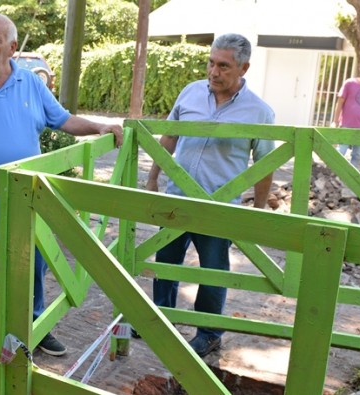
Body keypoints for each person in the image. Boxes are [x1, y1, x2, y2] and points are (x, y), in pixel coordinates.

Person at [0, 12, 124, 365]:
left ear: (13, 47)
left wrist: (101, 125)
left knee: (35, 267)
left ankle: (35, 325)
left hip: (30, 201)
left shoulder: (32, 84)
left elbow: (64, 120)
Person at [144, 33, 274, 358]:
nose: (214, 72)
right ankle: (161, 318)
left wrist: (257, 210)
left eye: (224, 66)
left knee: (213, 272)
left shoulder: (260, 112)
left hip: (219, 207)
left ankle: (209, 333)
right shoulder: (190, 93)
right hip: (177, 199)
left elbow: (266, 164)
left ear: (244, 68)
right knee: (166, 262)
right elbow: (170, 137)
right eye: (211, 63)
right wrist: (153, 177)